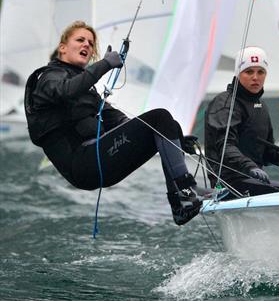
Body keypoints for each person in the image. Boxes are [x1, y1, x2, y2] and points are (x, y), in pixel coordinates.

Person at [24, 21, 210, 226]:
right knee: (160, 117)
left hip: (100, 162)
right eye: (80, 40)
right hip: (83, 164)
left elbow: (123, 122)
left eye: (90, 43)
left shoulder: (88, 92)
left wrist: (172, 140)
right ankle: (183, 193)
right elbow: (66, 90)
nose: (86, 44)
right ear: (62, 48)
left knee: (167, 125)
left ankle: (182, 201)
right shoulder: (48, 78)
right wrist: (104, 65)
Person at [204, 46, 279, 196]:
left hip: (253, 181)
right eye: (249, 72)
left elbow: (266, 153)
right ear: (238, 74)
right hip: (227, 184)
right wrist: (250, 167)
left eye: (261, 72)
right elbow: (225, 147)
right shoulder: (225, 104)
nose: (255, 77)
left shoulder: (261, 106)